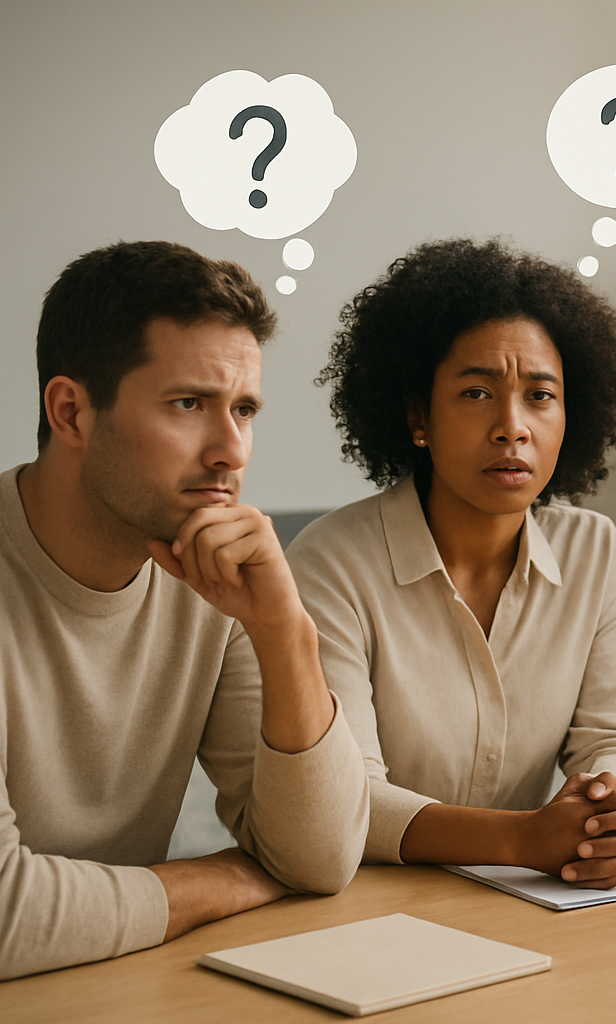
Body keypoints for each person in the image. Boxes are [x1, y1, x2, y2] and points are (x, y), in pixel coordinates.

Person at [0, 241, 368, 980]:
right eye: (188, 404)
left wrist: (285, 632)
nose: (231, 450)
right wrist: (229, 878)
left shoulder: (215, 577)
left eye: (243, 409)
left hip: (114, 981)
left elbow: (321, 857)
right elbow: (9, 919)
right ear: (71, 411)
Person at [289, 239, 616, 888]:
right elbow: (344, 800)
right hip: (364, 903)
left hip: (533, 895)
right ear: (417, 418)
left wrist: (610, 808)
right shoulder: (330, 564)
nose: (512, 427)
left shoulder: (592, 549)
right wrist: (523, 839)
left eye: (540, 396)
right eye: (476, 393)